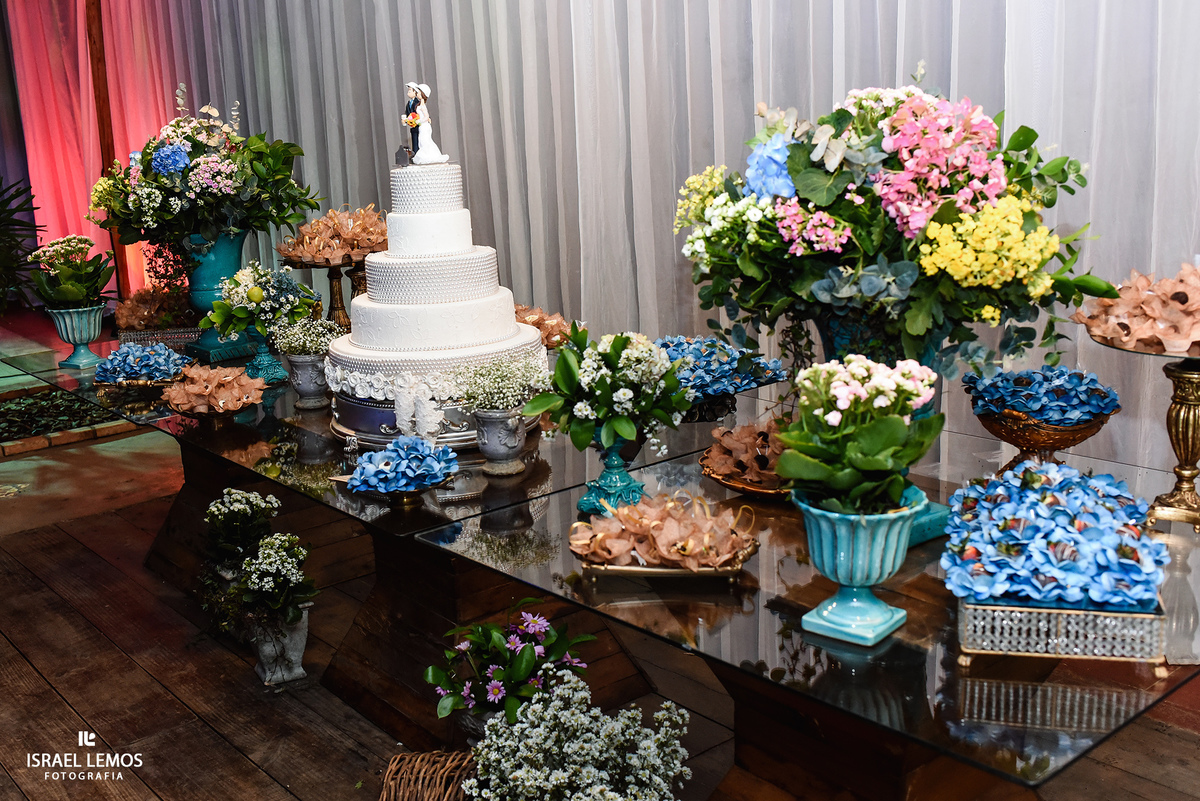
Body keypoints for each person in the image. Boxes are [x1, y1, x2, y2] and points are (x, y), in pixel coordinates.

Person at [411, 83, 449, 165]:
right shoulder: (419, 105)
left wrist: (419, 121)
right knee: (422, 141)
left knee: (425, 141)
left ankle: (430, 156)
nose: (417, 94)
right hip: (422, 126)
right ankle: (427, 156)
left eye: (418, 93)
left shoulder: (423, 106)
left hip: (424, 126)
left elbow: (426, 116)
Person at [403, 82, 420, 160]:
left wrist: (415, 120)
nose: (408, 93)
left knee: (419, 142)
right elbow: (408, 114)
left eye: (410, 91)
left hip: (419, 126)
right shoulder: (408, 104)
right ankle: (415, 155)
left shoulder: (418, 103)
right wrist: (405, 120)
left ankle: (418, 155)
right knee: (414, 142)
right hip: (413, 127)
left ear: (415, 92)